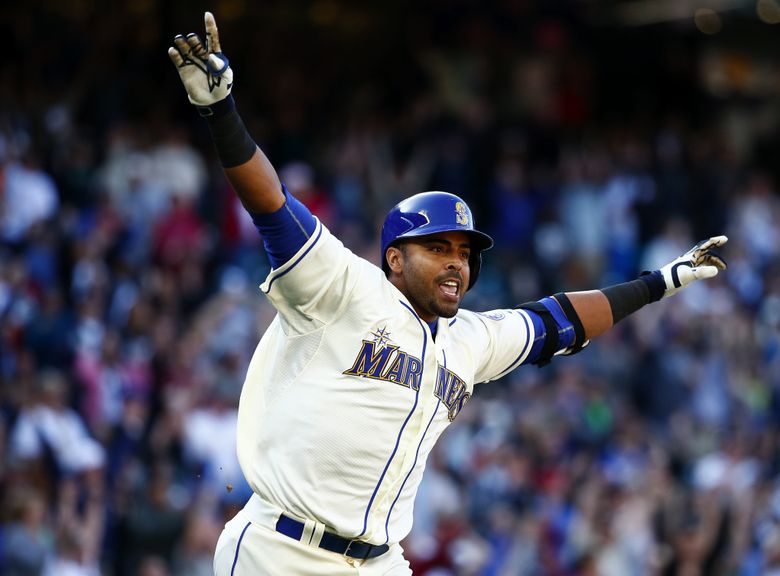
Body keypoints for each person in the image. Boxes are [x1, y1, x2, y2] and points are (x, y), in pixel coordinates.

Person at [168, 12, 728, 575]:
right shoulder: (344, 287)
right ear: (394, 258)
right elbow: (274, 209)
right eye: (437, 248)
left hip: (380, 562)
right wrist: (222, 114)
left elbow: (560, 322)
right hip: (282, 551)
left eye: (463, 252)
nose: (456, 262)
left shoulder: (469, 341)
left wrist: (660, 282)